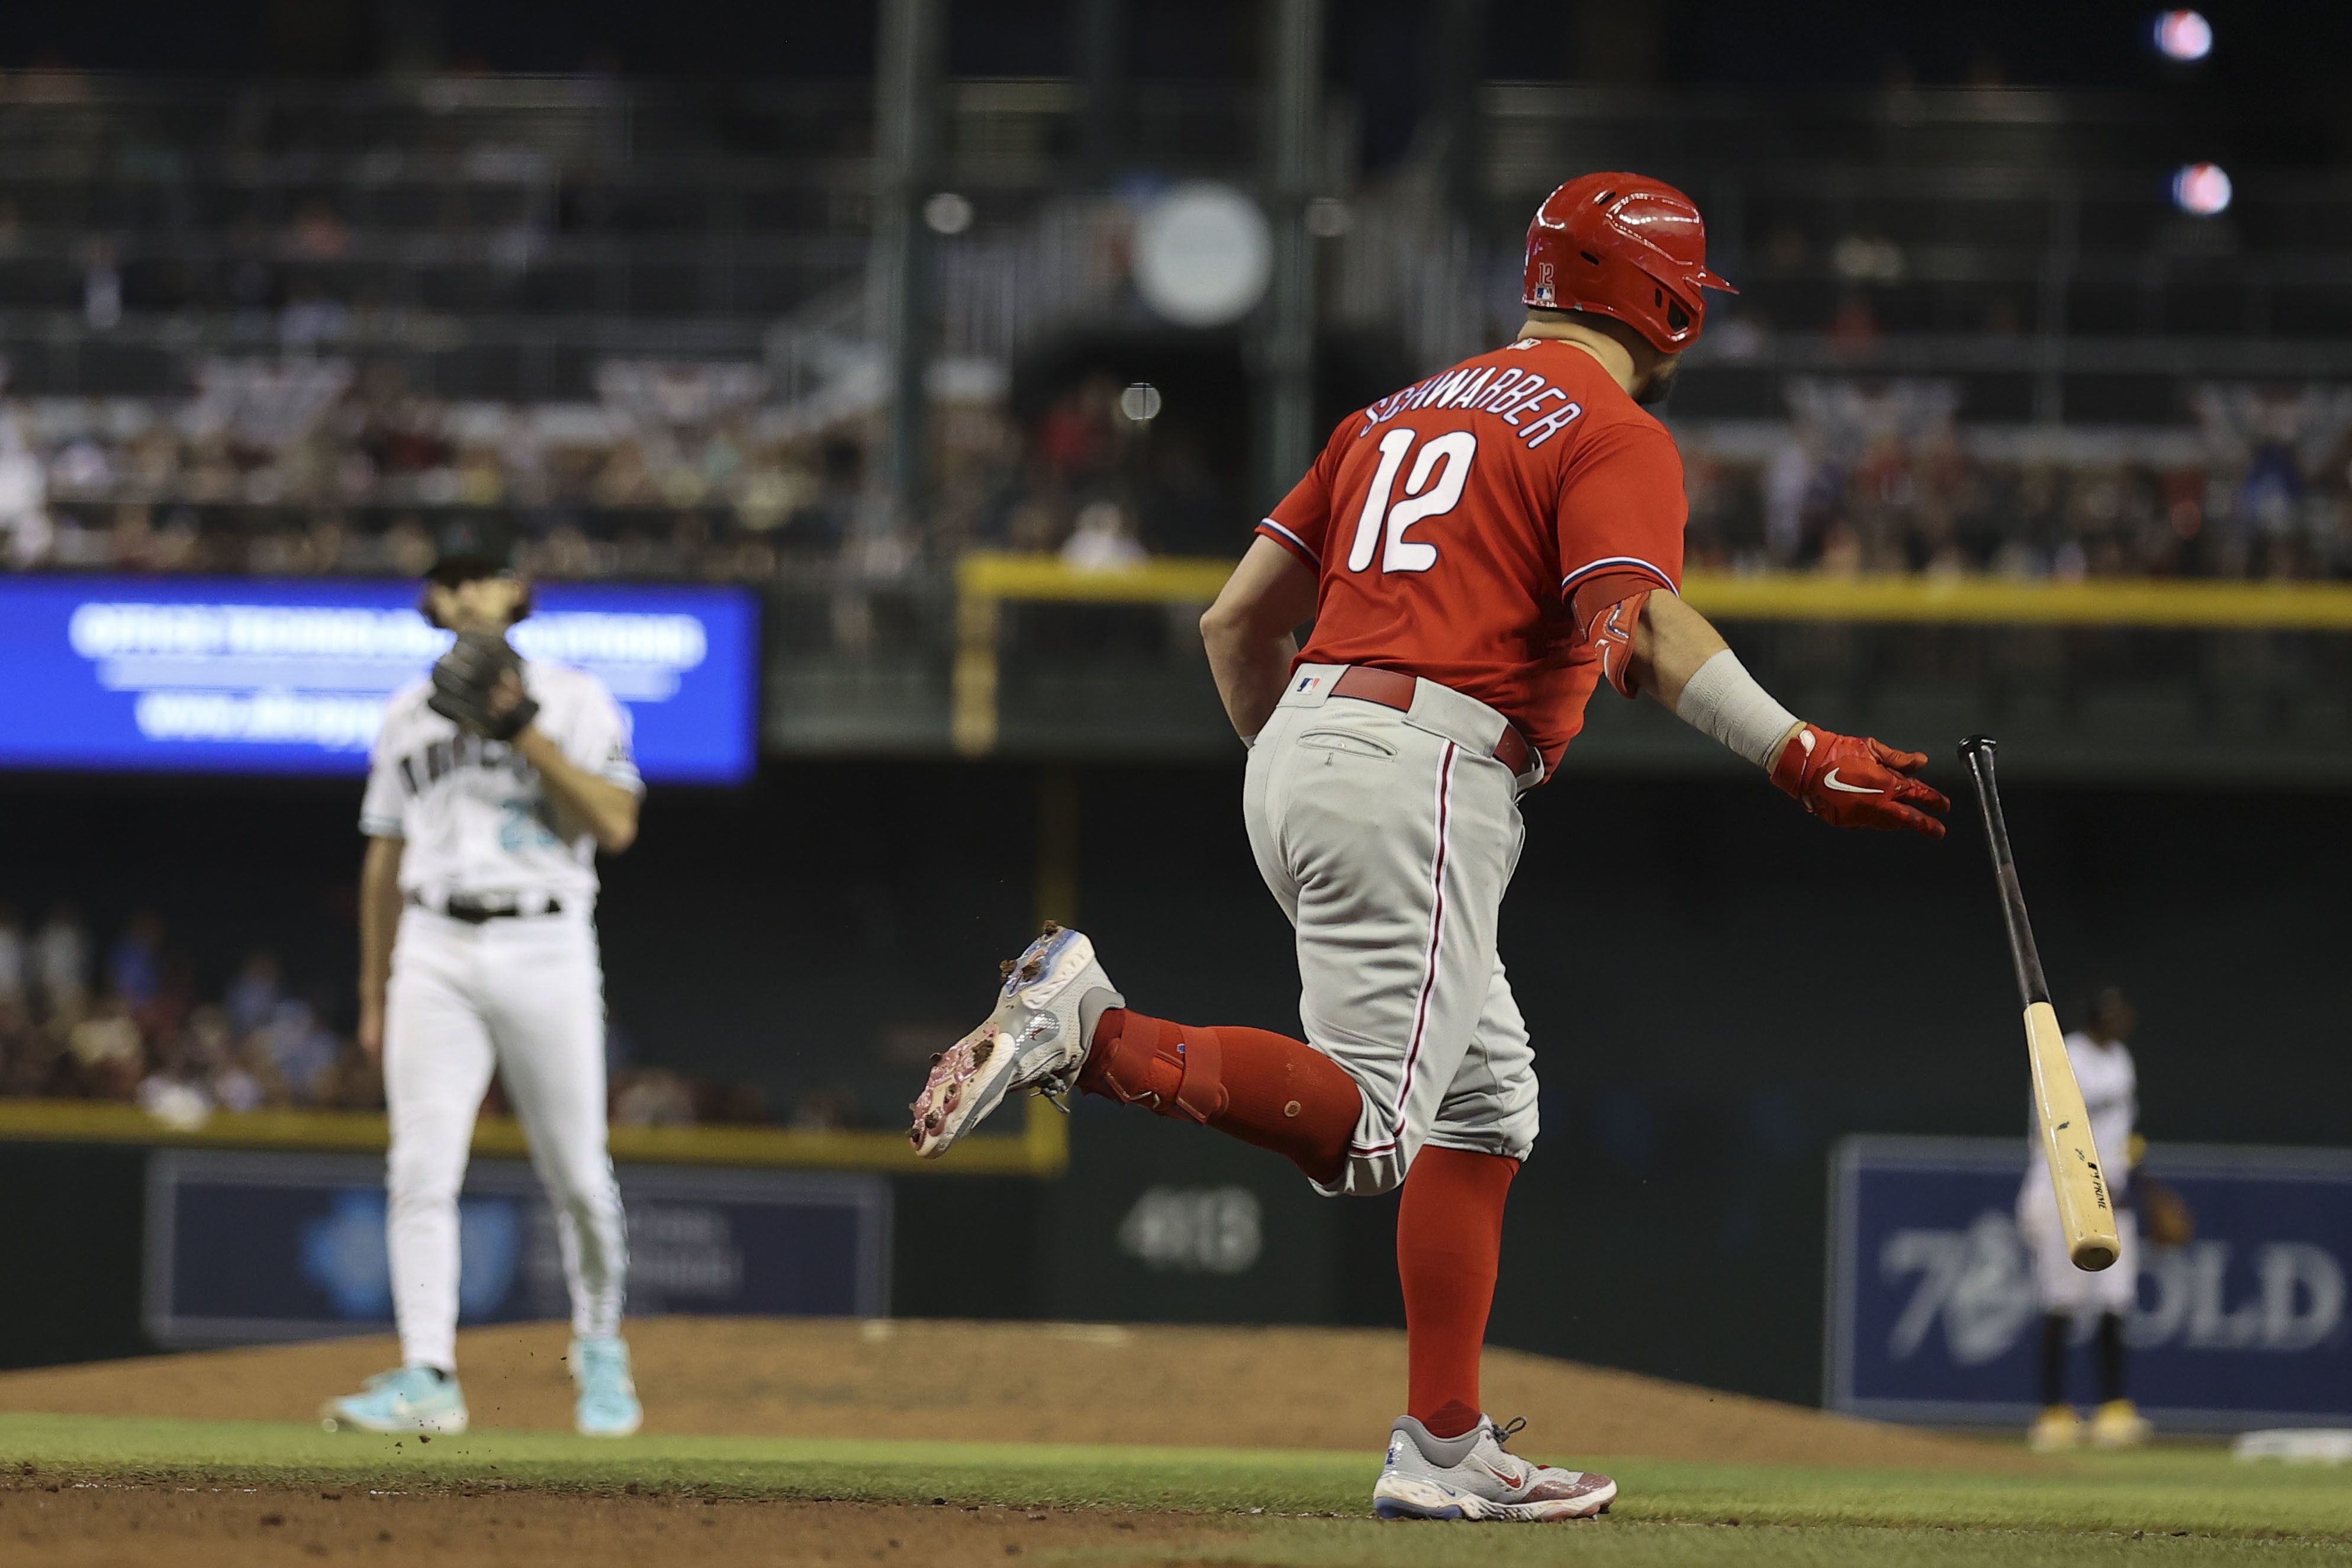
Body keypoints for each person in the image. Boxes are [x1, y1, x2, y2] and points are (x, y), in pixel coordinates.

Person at [906, 173, 1948, 1523]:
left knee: (1485, 1101)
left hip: (1305, 739)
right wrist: (1796, 750)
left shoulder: (1389, 410)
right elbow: (1632, 627)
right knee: (1373, 1137)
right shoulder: (1609, 426)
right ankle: (1088, 1034)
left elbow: (1232, 625)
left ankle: (1444, 1445)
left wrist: (1309, 771)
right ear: (1666, 303)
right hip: (1426, 764)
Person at [322, 553, 645, 1439]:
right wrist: (374, 988)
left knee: (579, 1175)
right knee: (420, 1170)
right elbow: (384, 858)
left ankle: (602, 1345)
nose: (466, 593)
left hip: (545, 941)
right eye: (449, 581)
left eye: (483, 577)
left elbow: (614, 824)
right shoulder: (402, 713)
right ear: (432, 603)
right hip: (431, 946)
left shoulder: (578, 698)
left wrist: (524, 733)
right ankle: (429, 1374)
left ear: (519, 594)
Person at [2020, 987, 2147, 1451]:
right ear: (2093, 1018)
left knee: (2115, 1300)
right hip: (2060, 1187)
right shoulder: (2064, 1055)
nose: (2119, 1022)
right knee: (2062, 1302)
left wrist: (2141, 1185)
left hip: (2112, 1192)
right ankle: (2052, 1412)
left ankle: (2114, 1408)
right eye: (2111, 1015)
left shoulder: (2121, 1059)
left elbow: (2123, 1136)